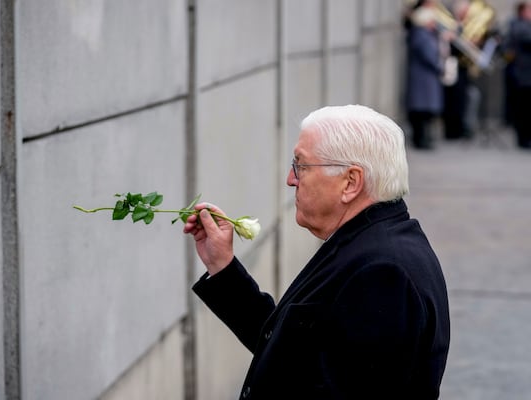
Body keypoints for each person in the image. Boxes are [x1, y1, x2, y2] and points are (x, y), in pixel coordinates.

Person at [183, 105, 451, 399]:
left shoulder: (383, 272)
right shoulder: (368, 243)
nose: (291, 178)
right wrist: (224, 268)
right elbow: (295, 352)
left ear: (350, 182)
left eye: (301, 165)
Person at [405, 4, 447, 149]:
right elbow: (429, 55)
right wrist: (440, 67)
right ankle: (421, 140)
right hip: (423, 79)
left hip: (426, 79)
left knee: (425, 113)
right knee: (421, 112)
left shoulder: (426, 34)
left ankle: (424, 139)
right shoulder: (421, 35)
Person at [506, 1, 531, 149]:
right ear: (523, 12)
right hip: (523, 75)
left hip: (526, 75)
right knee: (523, 109)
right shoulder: (518, 25)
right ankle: (523, 139)